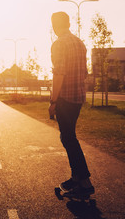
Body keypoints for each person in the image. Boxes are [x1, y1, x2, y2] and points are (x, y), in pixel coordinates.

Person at [49, 11, 95, 197]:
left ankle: (84, 181)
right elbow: (84, 72)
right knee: (69, 137)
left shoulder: (59, 44)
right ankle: (77, 179)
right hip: (78, 98)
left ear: (54, 25)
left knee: (68, 139)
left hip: (65, 98)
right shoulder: (79, 43)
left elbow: (59, 74)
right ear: (68, 23)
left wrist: (53, 101)